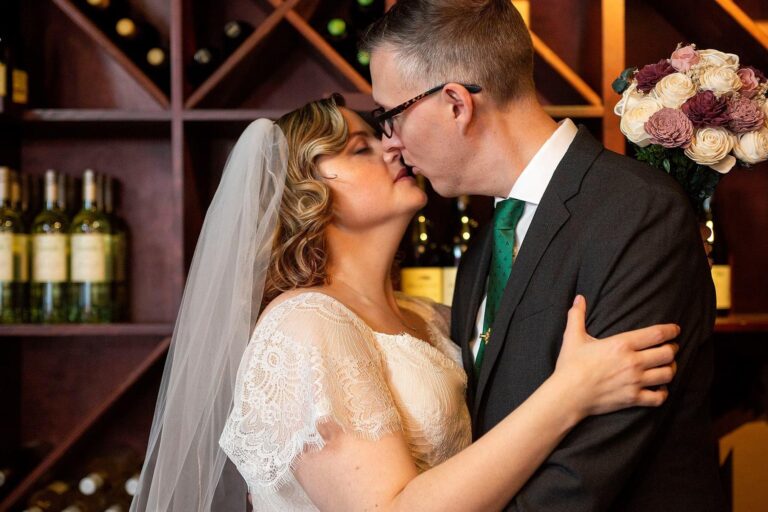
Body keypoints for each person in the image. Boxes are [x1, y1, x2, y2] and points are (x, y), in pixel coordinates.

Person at [130, 95, 679, 512]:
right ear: (307, 193)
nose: (392, 147)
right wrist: (571, 393)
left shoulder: (431, 316)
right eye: (359, 149)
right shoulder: (302, 324)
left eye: (380, 137)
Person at [362, 1, 724, 511]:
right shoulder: (486, 245)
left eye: (391, 115)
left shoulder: (637, 211)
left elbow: (585, 474)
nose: (391, 143)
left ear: (455, 103)